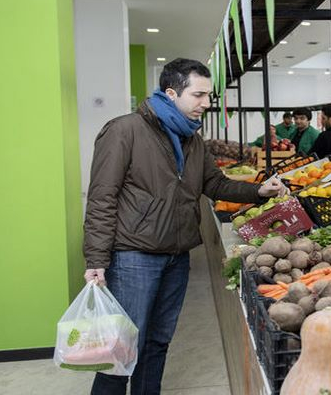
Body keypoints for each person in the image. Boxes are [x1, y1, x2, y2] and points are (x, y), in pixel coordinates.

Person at [83, 58, 287, 395]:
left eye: (208, 96)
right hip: (134, 256)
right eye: (199, 95)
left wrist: (258, 190)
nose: (206, 104)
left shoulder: (192, 139)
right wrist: (96, 259)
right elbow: (102, 198)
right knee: (121, 348)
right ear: (171, 92)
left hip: (177, 257)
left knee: (158, 342)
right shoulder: (124, 130)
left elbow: (215, 184)